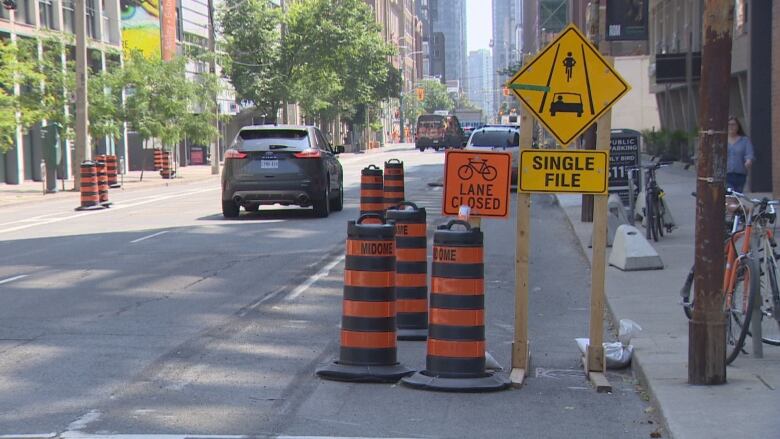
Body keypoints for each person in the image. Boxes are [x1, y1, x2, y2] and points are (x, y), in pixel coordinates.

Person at [726, 116, 754, 193]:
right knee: (729, 195)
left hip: (740, 174)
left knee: (737, 197)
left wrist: (748, 160)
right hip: (726, 174)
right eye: (729, 124)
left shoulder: (744, 140)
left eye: (733, 124)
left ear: (738, 126)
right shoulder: (722, 139)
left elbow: (749, 153)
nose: (731, 127)